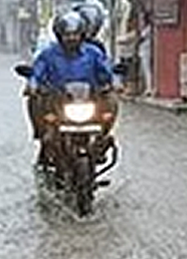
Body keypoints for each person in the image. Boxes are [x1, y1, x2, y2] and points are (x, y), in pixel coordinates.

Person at [26, 10, 118, 164]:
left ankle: (103, 137)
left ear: (82, 35)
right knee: (33, 101)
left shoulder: (93, 53)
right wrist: (33, 84)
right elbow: (37, 72)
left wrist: (115, 81)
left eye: (75, 34)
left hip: (87, 100)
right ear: (59, 35)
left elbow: (106, 71)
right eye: (67, 35)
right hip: (57, 101)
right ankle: (43, 135)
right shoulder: (48, 54)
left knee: (112, 100)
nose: (71, 38)